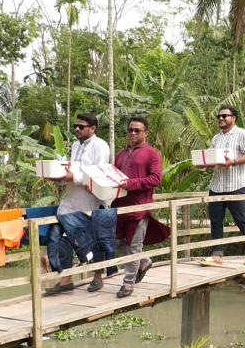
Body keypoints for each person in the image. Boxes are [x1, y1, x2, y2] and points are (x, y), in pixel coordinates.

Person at [44, 113, 111, 295]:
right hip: (71, 198)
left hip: (91, 199)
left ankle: (97, 276)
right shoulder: (75, 146)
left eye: (81, 127)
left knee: (93, 238)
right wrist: (58, 178)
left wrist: (75, 177)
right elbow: (71, 172)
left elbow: (99, 174)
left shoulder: (101, 146)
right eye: (77, 126)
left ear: (92, 128)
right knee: (63, 235)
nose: (77, 129)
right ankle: (66, 278)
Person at [111, 116, 164, 298]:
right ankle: (144, 260)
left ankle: (128, 283)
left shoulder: (152, 154)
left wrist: (132, 183)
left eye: (137, 130)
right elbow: (113, 175)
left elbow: (156, 178)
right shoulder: (121, 154)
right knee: (117, 243)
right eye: (130, 130)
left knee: (133, 246)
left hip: (139, 208)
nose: (133, 133)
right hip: (119, 207)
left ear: (145, 133)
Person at [199, 105, 245, 266]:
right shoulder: (216, 138)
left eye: (225, 116)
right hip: (217, 185)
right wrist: (203, 164)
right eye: (219, 116)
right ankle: (217, 255)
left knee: (240, 219)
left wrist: (234, 162)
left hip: (236, 185)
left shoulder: (242, 134)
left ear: (234, 118)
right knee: (216, 220)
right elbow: (213, 162)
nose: (221, 118)